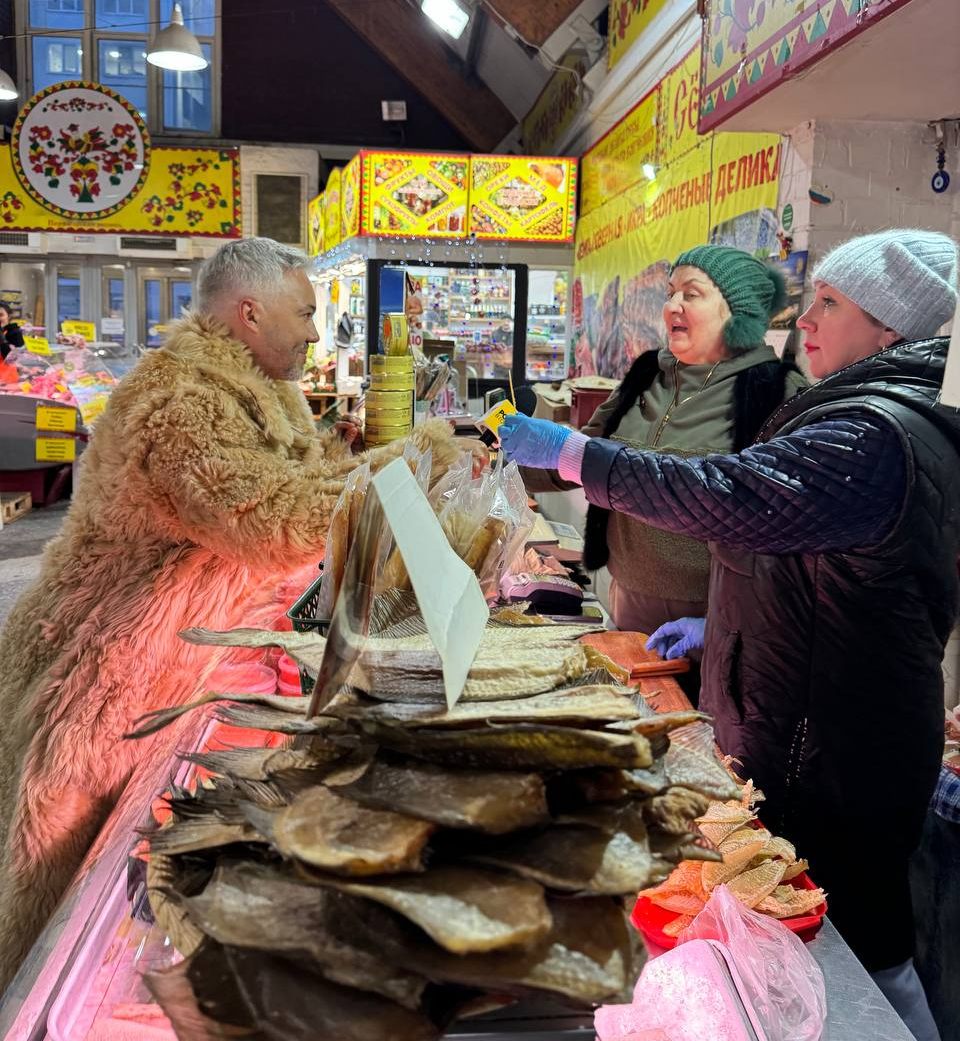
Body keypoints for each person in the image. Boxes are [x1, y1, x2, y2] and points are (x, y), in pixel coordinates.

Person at [500, 229, 959, 1041]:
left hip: (840, 752)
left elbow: (736, 495)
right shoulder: (866, 415)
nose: (805, 320)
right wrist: (726, 627)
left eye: (831, 304)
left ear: (890, 328)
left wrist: (577, 454)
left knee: (862, 957)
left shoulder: (876, 433)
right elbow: (835, 571)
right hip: (819, 725)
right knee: (817, 947)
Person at [0, 238, 458, 993]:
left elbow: (295, 479)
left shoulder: (251, 383)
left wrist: (364, 460)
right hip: (103, 672)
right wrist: (409, 460)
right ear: (250, 313)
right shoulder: (187, 401)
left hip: (168, 664)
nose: (315, 332)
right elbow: (270, 519)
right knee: (64, 901)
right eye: (305, 314)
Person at [522, 246, 804, 638]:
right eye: (670, 292)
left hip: (719, 615)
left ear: (739, 313)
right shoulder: (646, 375)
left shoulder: (777, 392)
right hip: (628, 597)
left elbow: (789, 525)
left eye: (691, 294)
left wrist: (727, 624)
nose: (672, 305)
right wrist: (502, 463)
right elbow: (585, 459)